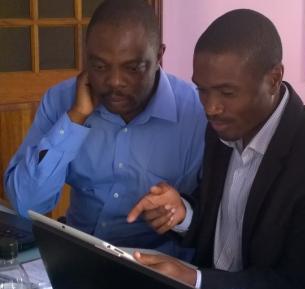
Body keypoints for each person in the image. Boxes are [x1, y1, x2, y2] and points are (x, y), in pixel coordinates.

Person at [127, 9, 305, 289]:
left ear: (274, 78)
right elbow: (226, 227)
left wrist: (198, 278)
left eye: (226, 93)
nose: (210, 107)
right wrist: (183, 213)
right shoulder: (225, 126)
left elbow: (303, 288)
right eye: (202, 91)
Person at [3, 0, 206, 256]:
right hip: (79, 255)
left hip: (161, 266)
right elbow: (26, 203)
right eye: (99, 67)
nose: (114, 81)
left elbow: (220, 219)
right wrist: (75, 119)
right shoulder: (62, 101)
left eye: (132, 68)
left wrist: (183, 210)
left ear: (158, 57)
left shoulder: (196, 114)